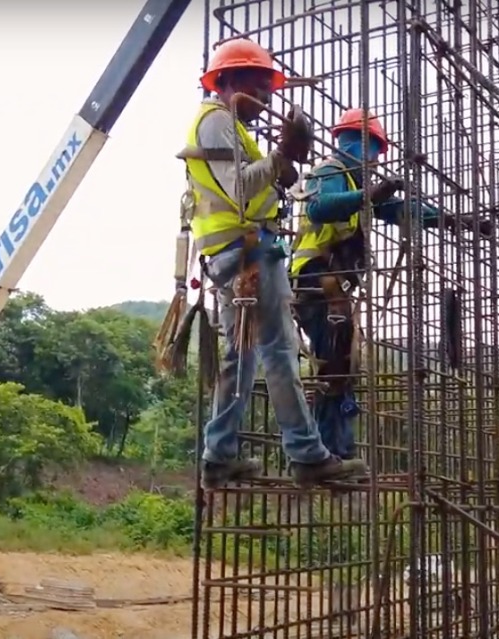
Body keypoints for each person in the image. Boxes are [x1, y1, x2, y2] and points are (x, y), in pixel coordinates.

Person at [180, 38, 367, 489]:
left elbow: (256, 186)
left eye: (269, 91)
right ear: (227, 81)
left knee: (239, 360)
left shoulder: (230, 128)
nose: (265, 101)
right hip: (248, 254)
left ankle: (218, 455)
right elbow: (239, 189)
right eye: (258, 88)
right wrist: (280, 158)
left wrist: (281, 169)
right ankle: (307, 455)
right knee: (280, 353)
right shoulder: (217, 122)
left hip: (232, 255)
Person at [290, 108, 487, 459]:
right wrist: (372, 195)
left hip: (332, 285)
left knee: (342, 361)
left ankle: (339, 449)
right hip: (314, 279)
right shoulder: (330, 172)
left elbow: (402, 209)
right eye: (374, 151)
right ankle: (328, 450)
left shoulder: (356, 185)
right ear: (359, 144)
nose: (376, 160)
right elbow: (319, 209)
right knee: (333, 361)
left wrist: (454, 220)